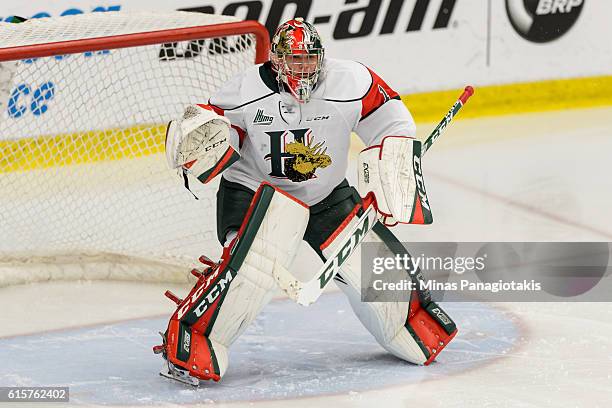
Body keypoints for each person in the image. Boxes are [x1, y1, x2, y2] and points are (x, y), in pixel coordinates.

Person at [156, 18, 457, 386]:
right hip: (255, 193)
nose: (304, 69)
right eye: (295, 60)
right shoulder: (244, 91)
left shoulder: (350, 81)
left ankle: (408, 322)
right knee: (254, 267)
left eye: (310, 60)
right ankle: (196, 336)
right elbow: (219, 134)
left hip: (326, 194)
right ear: (276, 61)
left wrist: (390, 165)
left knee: (373, 265)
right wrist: (201, 139)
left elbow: (389, 117)